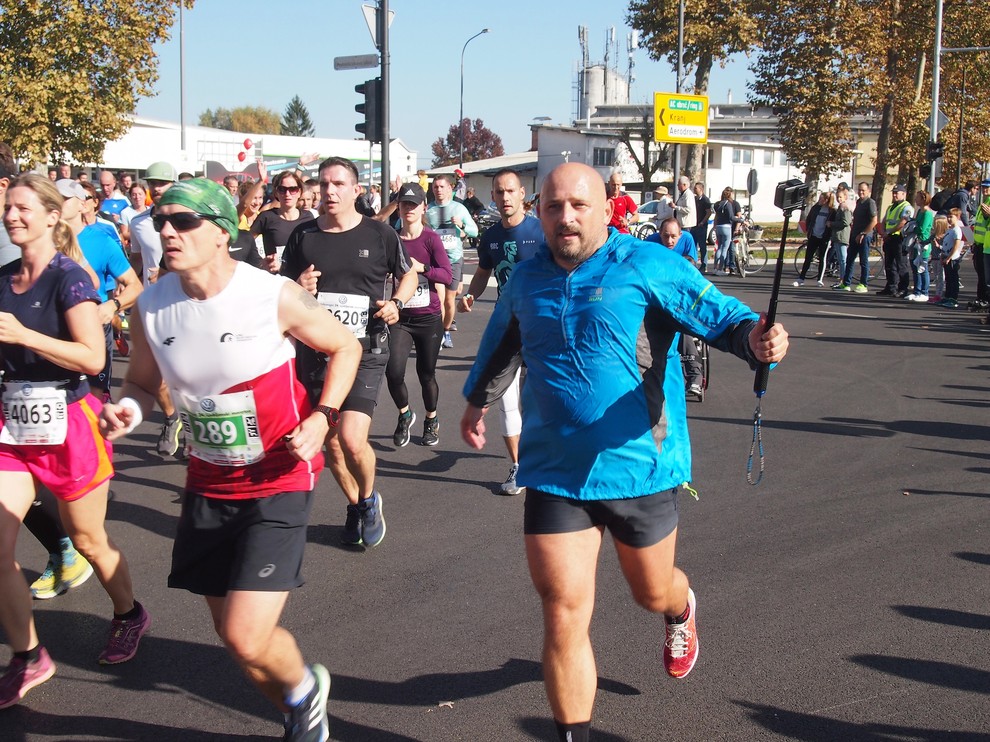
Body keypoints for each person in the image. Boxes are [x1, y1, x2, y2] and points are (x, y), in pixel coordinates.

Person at [460, 163, 788, 742]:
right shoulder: (526, 279)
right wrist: (476, 402)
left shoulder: (648, 265)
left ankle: (679, 609)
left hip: (641, 467)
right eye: (554, 206)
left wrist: (758, 339)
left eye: (579, 206)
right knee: (563, 611)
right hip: (555, 472)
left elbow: (723, 318)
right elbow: (502, 343)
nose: (566, 218)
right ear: (539, 212)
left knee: (650, 591)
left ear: (606, 210)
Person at [98, 178, 361, 741]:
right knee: (232, 635)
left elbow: (346, 345)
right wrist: (126, 409)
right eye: (163, 219)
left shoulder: (270, 294)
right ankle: (299, 696)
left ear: (222, 232)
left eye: (185, 220)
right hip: (209, 481)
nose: (168, 229)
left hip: (278, 477)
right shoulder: (152, 305)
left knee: (245, 634)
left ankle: (305, 699)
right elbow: (142, 383)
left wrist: (323, 416)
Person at [0, 175, 149, 709]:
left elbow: (91, 356)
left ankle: (129, 613)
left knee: (88, 540)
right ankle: (28, 655)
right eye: (7, 207)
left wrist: (24, 336)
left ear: (48, 215)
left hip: (71, 421)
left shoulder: (70, 279)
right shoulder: (1, 279)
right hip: (14, 426)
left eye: (22, 207)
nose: (12, 215)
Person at [281, 156, 418, 548]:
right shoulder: (303, 236)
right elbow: (283, 288)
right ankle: (356, 503)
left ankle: (370, 499)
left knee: (353, 438)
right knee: (333, 443)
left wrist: (398, 303)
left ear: (356, 191)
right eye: (323, 184)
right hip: (315, 353)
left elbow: (408, 273)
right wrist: (297, 284)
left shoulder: (378, 235)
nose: (329, 191)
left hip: (365, 349)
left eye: (338, 184)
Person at [458, 168, 544, 496]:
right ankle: (519, 466)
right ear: (493, 196)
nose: (505, 197)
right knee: (508, 401)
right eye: (499, 192)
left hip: (541, 329)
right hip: (505, 328)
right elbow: (482, 273)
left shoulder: (541, 232)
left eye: (510, 191)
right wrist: (470, 294)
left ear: (522, 194)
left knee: (548, 398)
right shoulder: (491, 236)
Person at [56, 179, 142, 401]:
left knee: (93, 398)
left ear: (82, 205)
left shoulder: (101, 241)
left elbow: (135, 286)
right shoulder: (43, 240)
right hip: (54, 327)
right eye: (53, 198)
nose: (57, 203)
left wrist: (112, 306)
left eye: (64, 199)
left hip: (93, 327)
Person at [385, 183, 452, 447]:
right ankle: (405, 414)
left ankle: (431, 419)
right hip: (401, 317)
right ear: (398, 208)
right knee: (394, 372)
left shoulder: (430, 239)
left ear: (424, 207)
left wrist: (422, 267)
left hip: (428, 317)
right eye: (404, 204)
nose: (409, 209)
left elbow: (446, 275)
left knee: (426, 374)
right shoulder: (391, 238)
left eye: (414, 204)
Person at [127, 161, 184, 456]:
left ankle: (195, 428)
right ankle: (172, 417)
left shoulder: (191, 218)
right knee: (159, 374)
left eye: (162, 183)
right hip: (155, 304)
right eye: (153, 183)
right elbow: (137, 261)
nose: (156, 188)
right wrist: (127, 284)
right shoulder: (138, 223)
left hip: (188, 304)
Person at [651, 217, 704, 396]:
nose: (670, 241)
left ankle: (694, 375)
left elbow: (692, 270)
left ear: (680, 235)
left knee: (682, 328)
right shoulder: (650, 244)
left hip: (681, 302)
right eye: (666, 236)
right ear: (659, 234)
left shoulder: (687, 240)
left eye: (674, 237)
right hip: (659, 300)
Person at [425, 173, 478, 349]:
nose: (438, 190)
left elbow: (475, 231)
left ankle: (446, 330)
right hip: (435, 260)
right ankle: (438, 332)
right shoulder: (428, 210)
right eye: (435, 187)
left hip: (454, 259)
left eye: (442, 187)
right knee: (438, 299)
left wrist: (462, 225)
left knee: (449, 300)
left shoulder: (459, 208)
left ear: (450, 189)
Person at [251, 170, 315, 274]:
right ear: (276, 192)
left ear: (299, 192)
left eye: (293, 189)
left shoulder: (308, 217)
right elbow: (246, 242)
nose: (287, 194)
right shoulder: (266, 217)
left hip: (300, 279)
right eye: (282, 189)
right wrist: (261, 263)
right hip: (275, 280)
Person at [836, 181, 877, 293]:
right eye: (859, 190)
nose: (861, 192)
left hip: (865, 235)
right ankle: (846, 283)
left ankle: (863, 284)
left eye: (863, 190)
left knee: (863, 261)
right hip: (855, 234)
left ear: (868, 191)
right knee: (850, 259)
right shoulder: (858, 202)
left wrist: (863, 233)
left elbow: (874, 221)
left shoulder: (870, 203)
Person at [877, 184, 914, 297]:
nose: (894, 195)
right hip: (889, 238)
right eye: (893, 192)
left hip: (899, 238)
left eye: (897, 193)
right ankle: (891, 287)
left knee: (901, 264)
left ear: (903, 194)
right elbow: (884, 221)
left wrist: (888, 232)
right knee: (889, 264)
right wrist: (883, 232)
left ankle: (903, 288)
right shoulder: (890, 207)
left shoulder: (906, 207)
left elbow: (902, 223)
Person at [794, 191, 835, 287]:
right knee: (808, 257)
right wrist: (809, 230)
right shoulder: (816, 208)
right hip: (813, 236)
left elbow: (833, 224)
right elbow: (809, 219)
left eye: (822, 198)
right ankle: (801, 278)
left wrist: (829, 235)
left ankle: (819, 279)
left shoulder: (832, 211)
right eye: (819, 198)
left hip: (824, 238)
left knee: (822, 258)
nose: (819, 200)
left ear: (827, 200)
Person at [907, 190, 934, 302]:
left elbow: (922, 229)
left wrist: (913, 227)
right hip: (915, 242)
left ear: (923, 199)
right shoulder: (919, 211)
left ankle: (924, 292)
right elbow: (916, 223)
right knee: (915, 267)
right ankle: (917, 291)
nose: (916, 200)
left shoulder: (928, 213)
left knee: (923, 268)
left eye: (917, 198)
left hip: (923, 243)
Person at [938, 208, 965, 308]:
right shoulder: (950, 230)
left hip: (953, 259)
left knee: (953, 279)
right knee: (948, 279)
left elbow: (955, 246)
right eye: (948, 216)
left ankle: (953, 299)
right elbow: (945, 244)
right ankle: (947, 296)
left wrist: (949, 257)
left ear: (957, 218)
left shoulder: (957, 230)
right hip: (945, 256)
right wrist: (942, 255)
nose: (949, 219)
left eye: (951, 217)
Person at [712, 186, 743, 274]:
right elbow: (731, 217)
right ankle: (720, 269)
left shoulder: (717, 204)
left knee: (719, 248)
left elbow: (717, 215)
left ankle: (715, 267)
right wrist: (740, 220)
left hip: (718, 227)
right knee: (725, 249)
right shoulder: (728, 204)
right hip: (726, 227)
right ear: (729, 196)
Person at [828, 183, 852, 289]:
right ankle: (842, 279)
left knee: (843, 260)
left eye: (841, 197)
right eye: (837, 197)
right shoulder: (840, 207)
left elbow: (846, 222)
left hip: (842, 236)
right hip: (837, 236)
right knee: (840, 259)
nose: (839, 199)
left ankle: (845, 281)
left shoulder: (845, 208)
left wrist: (832, 224)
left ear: (845, 197)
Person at [691, 181, 712, 273]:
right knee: (693, 245)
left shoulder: (705, 200)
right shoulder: (695, 199)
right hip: (694, 225)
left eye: (696, 188)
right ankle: (694, 264)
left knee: (702, 245)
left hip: (702, 226)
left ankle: (704, 264)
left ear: (701, 189)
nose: (694, 190)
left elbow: (708, 212)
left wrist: (703, 222)